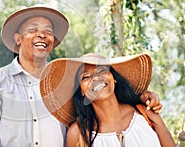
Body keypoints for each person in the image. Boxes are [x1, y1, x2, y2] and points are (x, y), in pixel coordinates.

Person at [0, 6, 163, 147]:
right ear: (17, 39)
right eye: (33, 30)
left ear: (54, 41)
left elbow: (103, 103)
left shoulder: (67, 83)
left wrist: (143, 97)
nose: (42, 35)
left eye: (48, 32)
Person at [40, 53, 176, 147]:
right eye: (85, 77)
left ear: (114, 78)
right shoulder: (78, 133)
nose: (96, 78)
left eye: (101, 71)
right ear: (81, 91)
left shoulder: (145, 113)